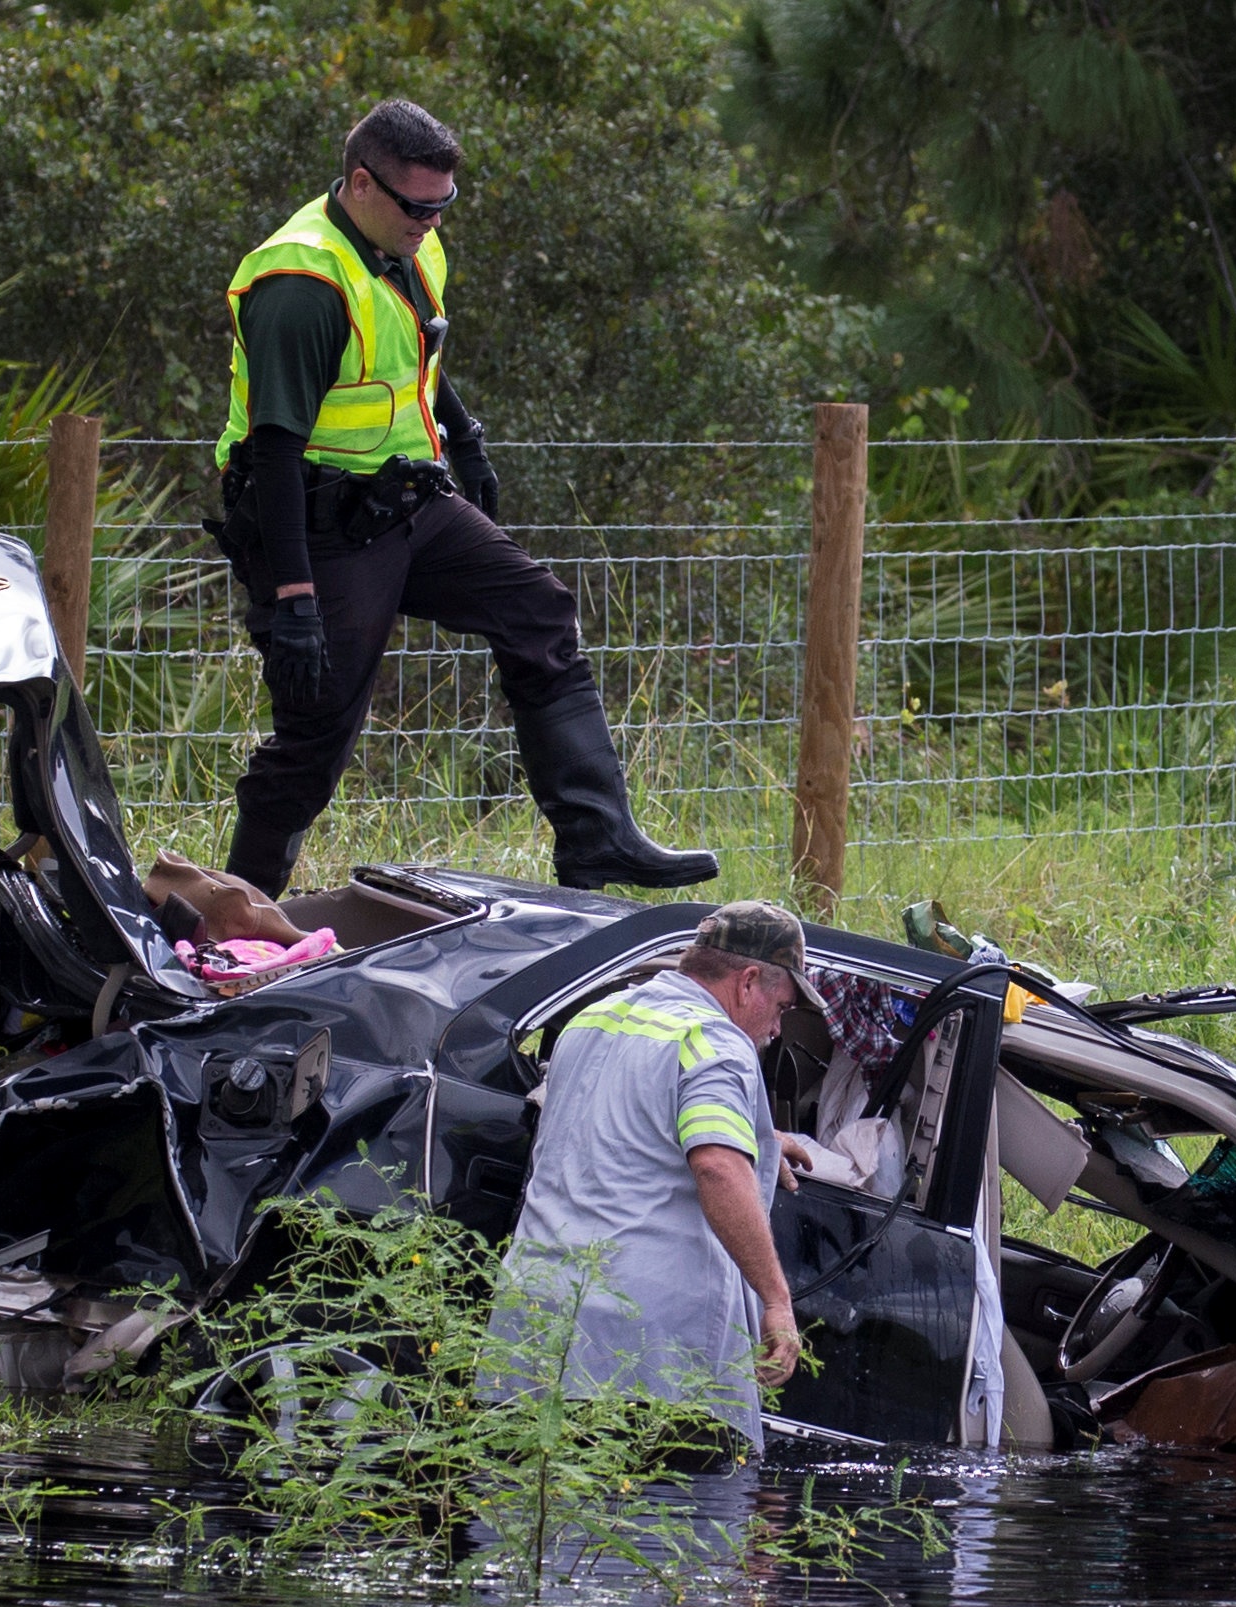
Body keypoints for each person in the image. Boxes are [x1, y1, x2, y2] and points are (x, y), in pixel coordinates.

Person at [209, 98, 718, 899]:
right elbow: (272, 451)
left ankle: (598, 840)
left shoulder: (408, 240)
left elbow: (414, 345)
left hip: (406, 502)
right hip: (314, 528)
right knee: (314, 739)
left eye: (444, 206)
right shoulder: (301, 283)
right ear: (361, 184)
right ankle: (229, 918)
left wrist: (464, 432)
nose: (431, 222)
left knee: (539, 610)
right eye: (417, 206)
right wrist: (296, 594)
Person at [490, 902, 822, 1453]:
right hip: (639, 1358)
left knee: (533, 1522)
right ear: (746, 983)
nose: (777, 1027)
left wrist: (759, 1141)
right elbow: (716, 1165)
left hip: (535, 1322)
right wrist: (776, 1301)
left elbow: (622, 1127)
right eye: (782, 1006)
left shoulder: (595, 1019)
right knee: (653, 1532)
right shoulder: (714, 1043)